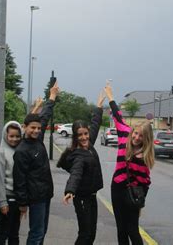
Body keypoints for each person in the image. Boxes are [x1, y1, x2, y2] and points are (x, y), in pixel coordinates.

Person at [104, 82, 155, 245]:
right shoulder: (125, 134)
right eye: (136, 133)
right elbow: (118, 116)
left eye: (141, 136)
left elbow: (146, 183)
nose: (136, 138)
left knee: (132, 229)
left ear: (146, 139)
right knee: (121, 229)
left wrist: (140, 204)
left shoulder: (144, 157)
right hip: (117, 188)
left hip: (133, 192)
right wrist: (111, 97)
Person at [13, 81, 60, 245]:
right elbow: (19, 180)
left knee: (42, 231)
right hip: (35, 198)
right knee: (36, 233)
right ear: (25, 127)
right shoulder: (21, 150)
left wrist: (52, 97)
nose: (36, 131)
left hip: (46, 194)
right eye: (32, 128)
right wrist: (23, 204)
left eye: (38, 128)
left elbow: (45, 115)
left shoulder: (38, 139)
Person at [57, 91, 105, 244]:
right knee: (85, 234)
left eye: (86, 133)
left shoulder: (88, 144)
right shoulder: (78, 155)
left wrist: (98, 107)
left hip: (91, 197)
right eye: (80, 135)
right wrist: (70, 190)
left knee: (91, 234)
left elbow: (96, 125)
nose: (84, 137)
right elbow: (76, 174)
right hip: (82, 198)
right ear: (75, 137)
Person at [0, 97, 44, 245]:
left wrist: (36, 108)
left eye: (17, 136)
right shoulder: (2, 153)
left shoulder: (21, 149)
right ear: (5, 135)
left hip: (19, 199)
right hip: (7, 200)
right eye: (11, 136)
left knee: (14, 233)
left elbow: (28, 126)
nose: (15, 139)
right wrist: (2, 202)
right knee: (3, 232)